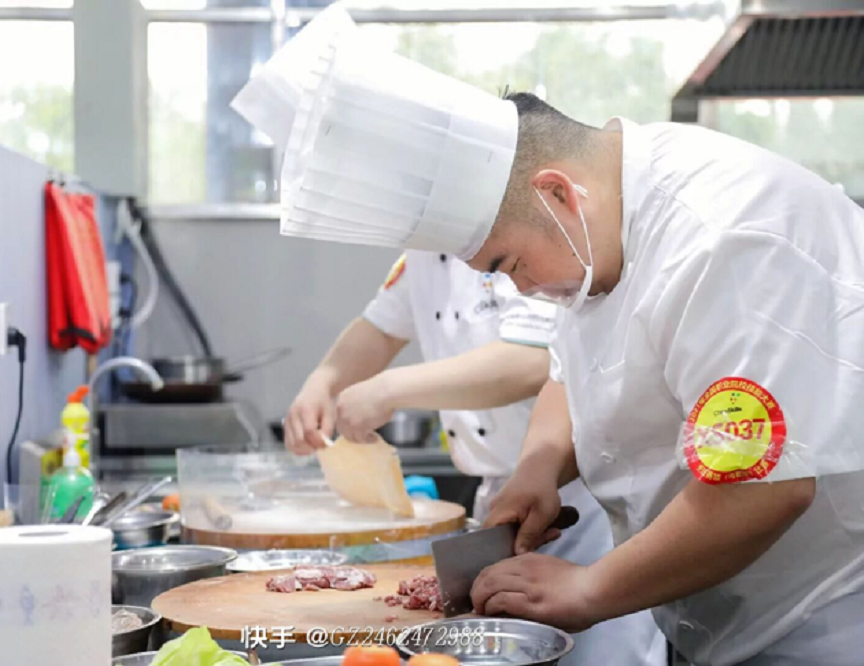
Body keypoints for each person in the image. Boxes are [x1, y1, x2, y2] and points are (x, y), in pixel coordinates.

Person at [264, 13, 864, 665]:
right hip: (710, 613)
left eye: (509, 265)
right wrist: (539, 467)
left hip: (816, 624)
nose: (519, 290)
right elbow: (569, 368)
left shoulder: (724, 241)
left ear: (556, 193)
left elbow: (761, 487)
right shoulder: (601, 221)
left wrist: (589, 588)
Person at [285, 249, 667, 666]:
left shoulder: (517, 239)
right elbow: (379, 327)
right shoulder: (423, 253)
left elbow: (534, 359)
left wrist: (389, 389)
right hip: (506, 500)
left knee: (602, 657)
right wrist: (323, 380)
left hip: (582, 500)